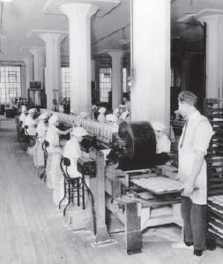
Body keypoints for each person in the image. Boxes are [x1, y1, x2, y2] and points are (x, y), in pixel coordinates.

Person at [172, 91, 214, 261]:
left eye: (179, 105)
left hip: (196, 177)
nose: (178, 108)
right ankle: (188, 242)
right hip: (186, 175)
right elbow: (185, 151)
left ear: (187, 105)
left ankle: (198, 251)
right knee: (186, 210)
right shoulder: (188, 122)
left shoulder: (202, 124)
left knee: (197, 212)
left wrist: (191, 181)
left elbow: (199, 155)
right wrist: (181, 174)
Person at [45, 114, 72, 204]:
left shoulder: (50, 128)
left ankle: (52, 182)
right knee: (56, 165)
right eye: (57, 122)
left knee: (53, 166)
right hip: (54, 150)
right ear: (54, 122)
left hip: (50, 149)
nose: (58, 123)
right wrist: (72, 128)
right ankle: (54, 183)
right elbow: (64, 133)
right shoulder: (54, 128)